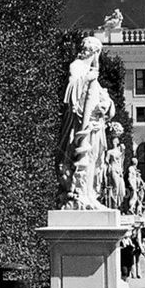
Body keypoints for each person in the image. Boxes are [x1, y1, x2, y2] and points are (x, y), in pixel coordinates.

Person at [56, 36, 112, 209]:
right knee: (82, 158)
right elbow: (70, 90)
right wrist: (87, 79)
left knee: (94, 159)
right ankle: (79, 195)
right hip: (79, 123)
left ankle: (89, 195)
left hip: (94, 125)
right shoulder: (77, 66)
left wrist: (107, 105)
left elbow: (102, 100)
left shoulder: (93, 73)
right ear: (95, 52)